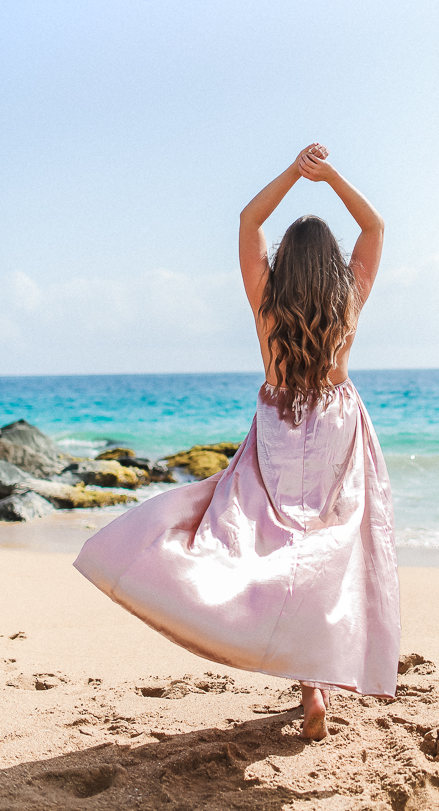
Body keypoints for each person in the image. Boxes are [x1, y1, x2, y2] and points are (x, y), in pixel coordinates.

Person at [74, 146, 400, 741]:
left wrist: (292, 174)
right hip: (335, 424)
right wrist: (329, 180)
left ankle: (266, 643)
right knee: (326, 546)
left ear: (285, 262)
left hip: (280, 426)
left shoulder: (266, 303)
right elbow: (374, 226)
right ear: (331, 265)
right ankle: (314, 687)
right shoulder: (347, 299)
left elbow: (249, 221)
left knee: (260, 536)